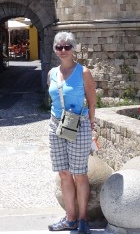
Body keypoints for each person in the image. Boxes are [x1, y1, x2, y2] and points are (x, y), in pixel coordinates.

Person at [46, 31, 97, 234]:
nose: (63, 50)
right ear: (55, 50)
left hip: (78, 123)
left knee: (79, 174)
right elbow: (53, 98)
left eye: (67, 47)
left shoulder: (83, 72)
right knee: (64, 173)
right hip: (56, 124)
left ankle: (83, 219)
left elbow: (92, 101)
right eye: (59, 47)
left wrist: (92, 125)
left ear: (73, 49)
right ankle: (70, 218)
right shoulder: (51, 73)